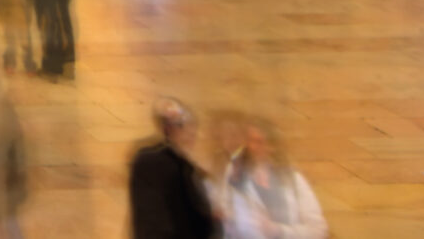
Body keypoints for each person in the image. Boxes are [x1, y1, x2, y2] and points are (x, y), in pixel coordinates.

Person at [128, 98, 221, 239]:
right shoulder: (152, 161)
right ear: (168, 129)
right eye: (182, 125)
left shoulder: (186, 167)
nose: (192, 132)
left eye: (191, 125)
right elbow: (153, 219)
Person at [220, 119, 325, 239]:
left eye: (259, 142)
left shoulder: (292, 178)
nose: (252, 147)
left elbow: (317, 229)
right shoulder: (234, 177)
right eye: (249, 141)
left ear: (272, 146)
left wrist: (279, 231)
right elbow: (229, 222)